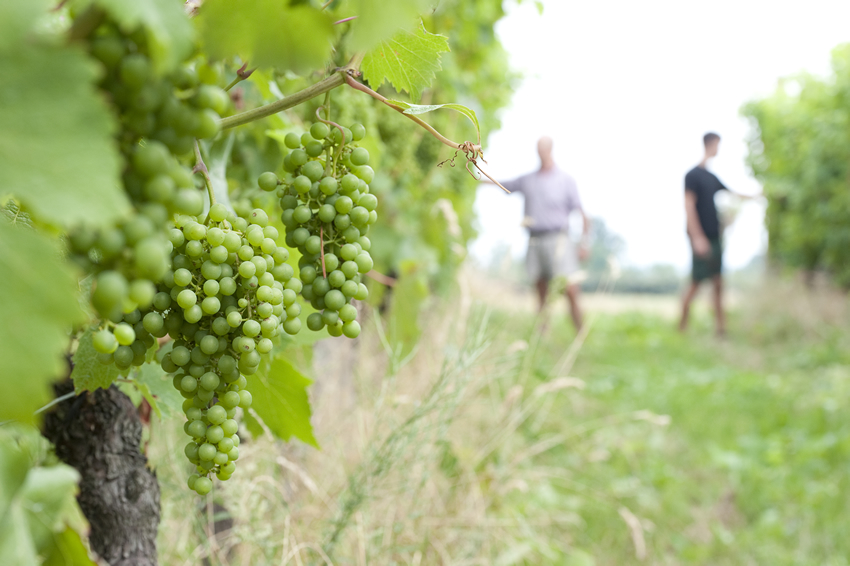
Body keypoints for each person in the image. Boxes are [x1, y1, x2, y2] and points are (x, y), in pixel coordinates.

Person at [499, 136, 590, 331]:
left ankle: (580, 332)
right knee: (540, 289)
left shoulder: (565, 180)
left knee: (570, 288)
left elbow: (582, 214)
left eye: (543, 149)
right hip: (535, 240)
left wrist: (584, 243)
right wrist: (476, 176)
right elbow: (504, 185)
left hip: (559, 239)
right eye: (538, 149)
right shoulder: (528, 180)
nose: (540, 153)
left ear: (550, 150)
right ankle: (542, 335)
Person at [679, 132, 754, 336]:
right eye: (717, 145)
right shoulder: (692, 175)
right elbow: (689, 206)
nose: (718, 149)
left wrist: (759, 196)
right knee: (696, 282)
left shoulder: (712, 178)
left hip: (715, 236)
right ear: (710, 144)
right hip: (701, 238)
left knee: (718, 282)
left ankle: (721, 329)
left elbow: (734, 194)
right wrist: (697, 237)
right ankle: (682, 326)